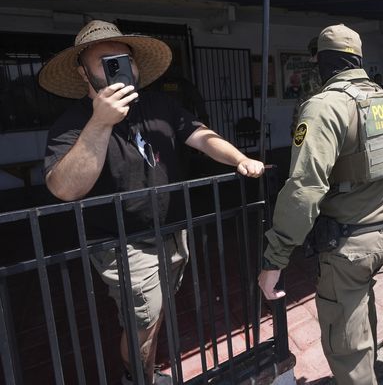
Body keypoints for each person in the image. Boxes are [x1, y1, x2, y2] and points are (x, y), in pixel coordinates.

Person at [38, 20, 265, 385]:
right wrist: (100, 123)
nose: (119, 66)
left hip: (172, 232)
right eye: (105, 61)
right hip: (123, 244)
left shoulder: (160, 104)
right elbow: (65, 188)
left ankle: (144, 371)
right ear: (83, 73)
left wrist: (238, 157)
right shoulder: (73, 122)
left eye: (124, 59)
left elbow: (201, 136)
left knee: (151, 316)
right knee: (143, 322)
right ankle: (137, 378)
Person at [258, 24, 383, 385]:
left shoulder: (324, 106)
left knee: (345, 346)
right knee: (358, 315)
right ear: (355, 58)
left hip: (348, 245)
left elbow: (304, 188)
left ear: (322, 62)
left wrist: (274, 260)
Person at [289, 36, 322, 136]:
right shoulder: (337, 71)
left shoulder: (315, 73)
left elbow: (304, 102)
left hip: (316, 126)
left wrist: (295, 129)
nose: (310, 57)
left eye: (313, 52)